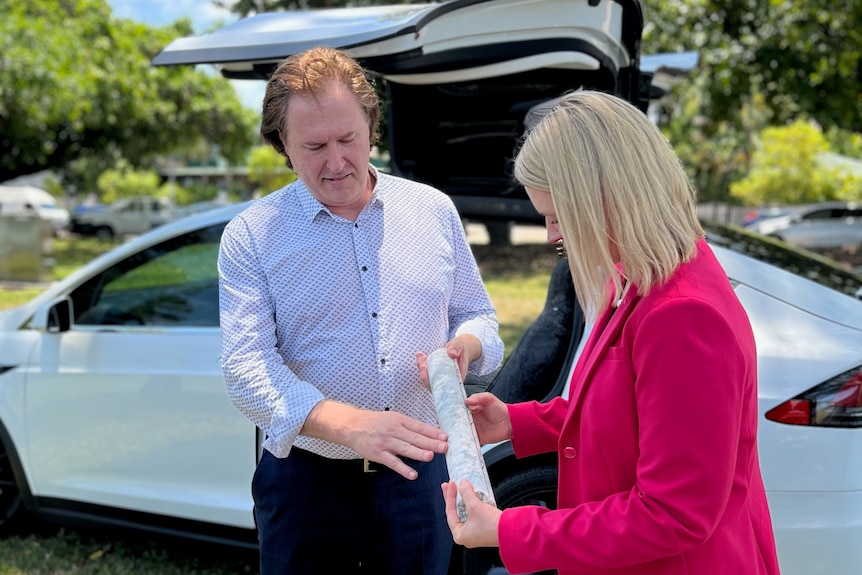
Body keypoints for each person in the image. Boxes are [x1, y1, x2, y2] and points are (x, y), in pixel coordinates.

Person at [436, 90, 781, 575]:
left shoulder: (682, 313)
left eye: (557, 217)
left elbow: (673, 514)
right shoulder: (649, 277)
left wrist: (509, 529)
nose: (554, 235)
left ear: (604, 198)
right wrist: (516, 422)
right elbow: (627, 413)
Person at [218, 45, 504, 575]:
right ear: (282, 142)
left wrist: (466, 345)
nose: (336, 161)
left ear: (371, 123)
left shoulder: (432, 209)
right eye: (314, 146)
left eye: (348, 139)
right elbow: (246, 371)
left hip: (422, 474)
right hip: (308, 482)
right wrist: (350, 426)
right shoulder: (253, 236)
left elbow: (480, 316)